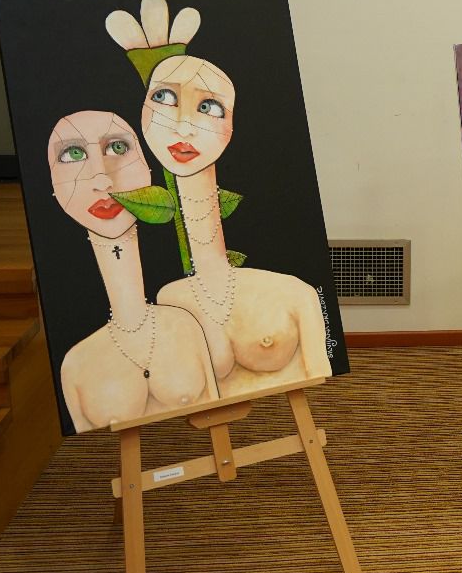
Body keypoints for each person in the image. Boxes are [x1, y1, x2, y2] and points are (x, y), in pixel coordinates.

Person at [140, 54, 334, 397]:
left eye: (209, 107)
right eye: (164, 97)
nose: (183, 127)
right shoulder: (169, 298)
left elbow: (318, 368)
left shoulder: (294, 294)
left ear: (232, 126)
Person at [48, 111, 218, 432]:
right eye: (73, 154)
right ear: (53, 185)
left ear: (148, 168)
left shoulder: (187, 325)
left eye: (117, 148)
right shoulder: (75, 366)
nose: (103, 180)